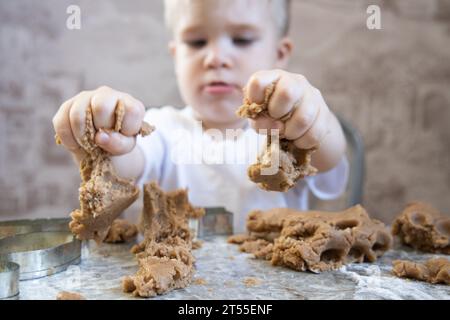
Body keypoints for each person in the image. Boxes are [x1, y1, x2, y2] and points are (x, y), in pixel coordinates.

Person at [52, 0, 348, 233]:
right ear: (175, 56)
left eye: (242, 39)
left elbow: (328, 155)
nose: (215, 57)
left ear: (280, 54)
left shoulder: (286, 134)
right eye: (196, 42)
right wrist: (102, 135)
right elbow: (127, 164)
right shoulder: (161, 130)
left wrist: (312, 117)